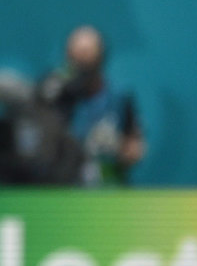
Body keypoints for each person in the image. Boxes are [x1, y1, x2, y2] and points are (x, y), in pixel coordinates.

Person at [39, 25, 146, 186]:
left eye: (86, 54)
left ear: (101, 57)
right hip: (63, 193)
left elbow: (134, 148)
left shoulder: (120, 98)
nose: (80, 62)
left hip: (108, 192)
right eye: (74, 55)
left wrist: (119, 148)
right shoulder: (55, 98)